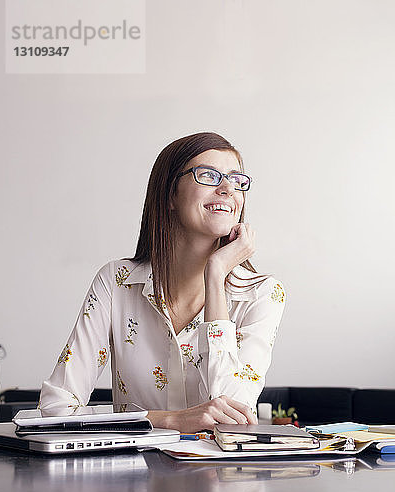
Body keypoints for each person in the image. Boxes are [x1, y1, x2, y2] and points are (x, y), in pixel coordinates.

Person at [39, 132, 286, 433]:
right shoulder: (117, 283)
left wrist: (216, 272)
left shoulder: (262, 294)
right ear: (170, 195)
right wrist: (166, 421)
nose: (227, 189)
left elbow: (231, 414)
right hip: (132, 476)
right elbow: (56, 409)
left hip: (220, 479)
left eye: (236, 180)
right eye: (209, 175)